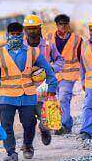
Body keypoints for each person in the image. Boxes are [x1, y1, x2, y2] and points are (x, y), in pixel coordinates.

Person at [0, 22, 58, 161]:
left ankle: (28, 145)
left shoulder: (33, 51)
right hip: (6, 97)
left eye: (17, 34)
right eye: (12, 34)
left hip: (27, 95)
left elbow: (48, 69)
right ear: (7, 35)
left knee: (30, 123)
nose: (15, 37)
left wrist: (52, 89)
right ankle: (11, 153)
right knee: (6, 126)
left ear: (22, 35)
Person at [23, 14, 64, 145]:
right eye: (29, 28)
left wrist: (52, 68)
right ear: (25, 30)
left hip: (45, 87)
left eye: (34, 28)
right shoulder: (21, 46)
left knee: (45, 116)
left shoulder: (47, 45)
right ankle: (27, 145)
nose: (32, 31)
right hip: (27, 88)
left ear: (39, 28)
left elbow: (60, 60)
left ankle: (44, 129)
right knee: (28, 120)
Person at [46, 14, 82, 135]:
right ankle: (62, 123)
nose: (63, 26)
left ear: (68, 24)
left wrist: (84, 76)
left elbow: (83, 57)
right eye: (60, 24)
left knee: (63, 98)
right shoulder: (49, 37)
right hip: (53, 74)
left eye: (65, 23)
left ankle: (63, 125)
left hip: (69, 74)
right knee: (54, 100)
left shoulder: (77, 39)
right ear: (56, 25)